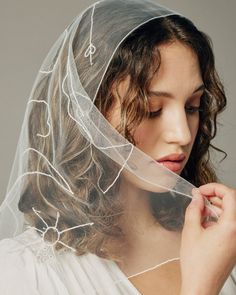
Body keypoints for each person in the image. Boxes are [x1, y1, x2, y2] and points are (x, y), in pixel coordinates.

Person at [0, 1, 235, 294]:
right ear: (88, 113)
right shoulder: (24, 272)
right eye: (150, 109)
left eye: (192, 106)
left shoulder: (221, 237)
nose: (182, 135)